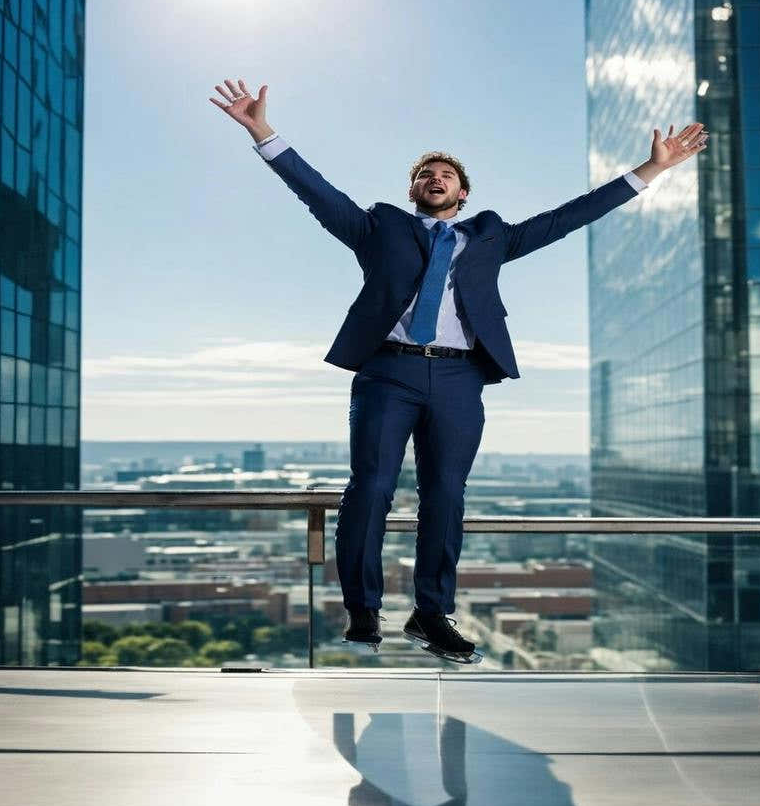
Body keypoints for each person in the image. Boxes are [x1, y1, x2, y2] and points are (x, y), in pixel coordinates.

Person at [210, 78, 707, 663]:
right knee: (370, 487)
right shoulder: (379, 227)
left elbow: (568, 217)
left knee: (445, 494)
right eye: (425, 174)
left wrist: (648, 171)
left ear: (463, 193)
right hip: (387, 374)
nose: (435, 179)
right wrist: (261, 131)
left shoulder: (491, 237)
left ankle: (431, 613)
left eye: (446, 174)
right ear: (415, 189)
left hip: (457, 378)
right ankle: (364, 611)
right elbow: (316, 192)